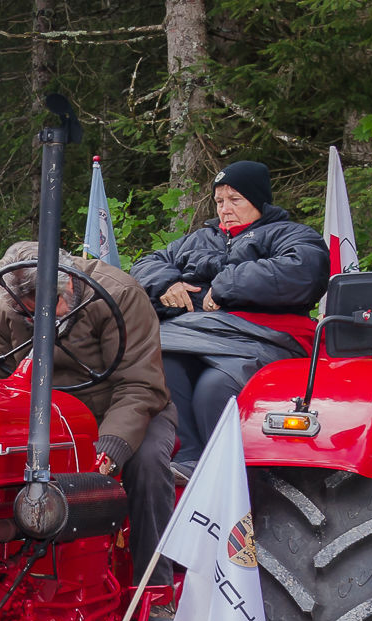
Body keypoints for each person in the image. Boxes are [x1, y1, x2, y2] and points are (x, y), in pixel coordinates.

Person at [0, 240, 176, 579]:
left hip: (120, 408)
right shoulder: (4, 309)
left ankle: (153, 588)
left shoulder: (120, 295)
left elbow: (140, 386)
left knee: (148, 464)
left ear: (69, 280)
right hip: (45, 418)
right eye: (29, 313)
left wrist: (109, 450)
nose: (47, 317)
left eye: (54, 305)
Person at [129, 160, 328, 464]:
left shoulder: (290, 234)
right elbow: (144, 266)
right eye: (219, 200)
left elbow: (303, 272)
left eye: (236, 199)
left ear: (259, 201)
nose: (225, 209)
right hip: (191, 333)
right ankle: (187, 466)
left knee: (214, 388)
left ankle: (230, 476)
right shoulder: (198, 239)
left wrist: (225, 284)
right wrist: (169, 283)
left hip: (260, 336)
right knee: (163, 368)